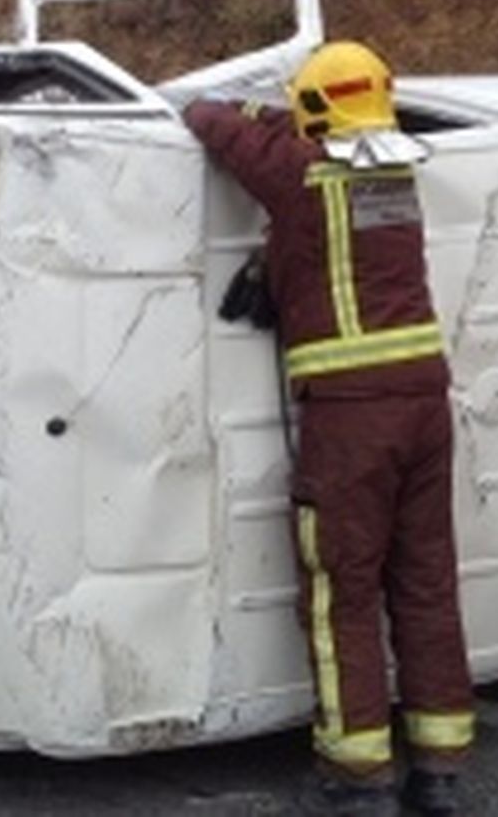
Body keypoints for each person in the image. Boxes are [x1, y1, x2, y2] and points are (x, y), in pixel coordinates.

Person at [184, 41, 473, 817]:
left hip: (351, 415)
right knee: (424, 584)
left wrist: (246, 106)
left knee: (340, 591)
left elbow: (208, 120)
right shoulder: (397, 174)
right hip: (424, 404)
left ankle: (357, 774)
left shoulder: (301, 176)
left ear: (312, 114)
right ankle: (440, 766)